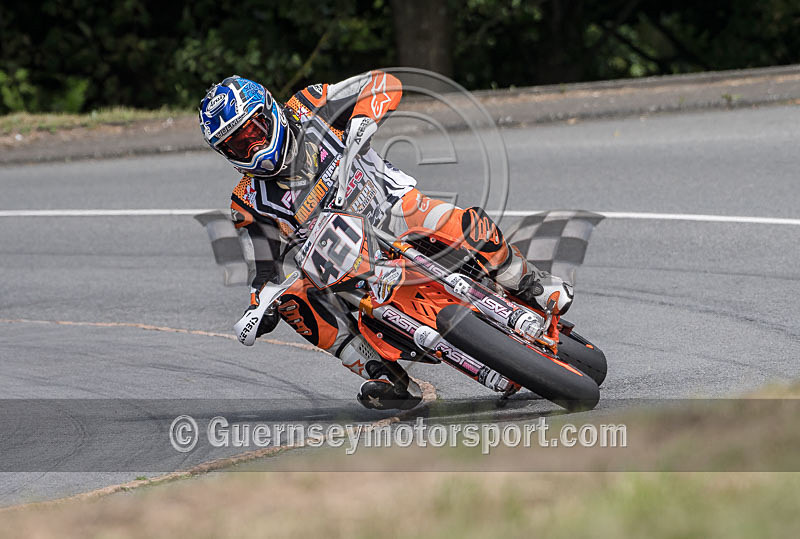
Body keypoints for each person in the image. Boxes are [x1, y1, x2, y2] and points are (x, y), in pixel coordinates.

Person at [199, 71, 572, 409]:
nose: (251, 149)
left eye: (252, 133)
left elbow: (383, 83)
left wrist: (363, 120)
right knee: (293, 303)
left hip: (394, 207)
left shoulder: (310, 105)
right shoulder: (247, 200)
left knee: (464, 224)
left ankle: (530, 283)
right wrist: (258, 308)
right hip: (346, 264)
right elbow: (265, 267)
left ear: (270, 111)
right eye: (235, 146)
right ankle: (383, 375)